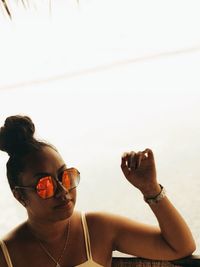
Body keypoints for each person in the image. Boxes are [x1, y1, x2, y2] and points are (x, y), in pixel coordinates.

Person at [0, 115, 196, 267]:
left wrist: (150, 189)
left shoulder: (98, 229)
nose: (63, 191)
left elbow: (180, 247)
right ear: (20, 196)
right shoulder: (6, 255)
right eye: (45, 185)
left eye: (65, 176)